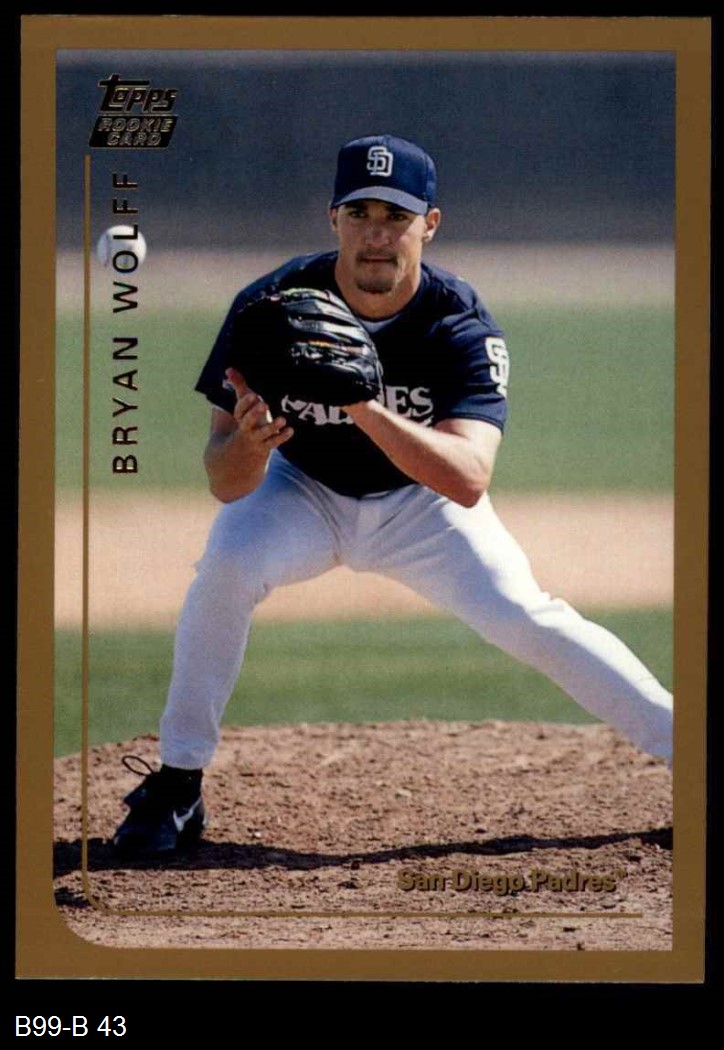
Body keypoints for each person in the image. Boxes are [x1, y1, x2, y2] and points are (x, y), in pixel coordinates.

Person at [112, 134, 673, 857]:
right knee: (224, 568)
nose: (377, 234)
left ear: (428, 225)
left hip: (423, 507)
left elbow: (467, 479)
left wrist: (362, 405)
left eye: (396, 216)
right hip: (301, 490)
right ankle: (178, 785)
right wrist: (249, 443)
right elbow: (225, 481)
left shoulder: (456, 320)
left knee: (527, 617)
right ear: (334, 219)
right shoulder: (269, 308)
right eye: (360, 213)